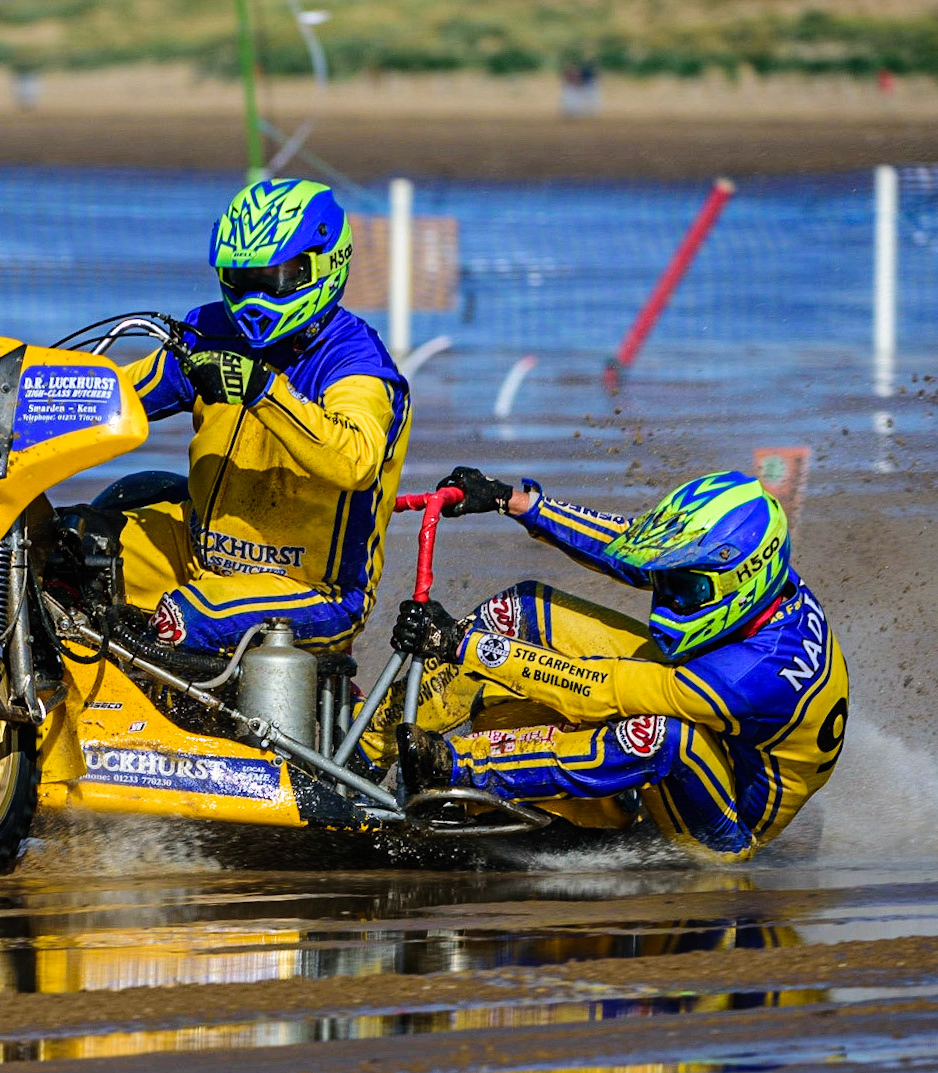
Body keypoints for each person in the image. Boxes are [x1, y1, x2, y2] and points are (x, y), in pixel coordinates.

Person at [381, 467, 849, 861]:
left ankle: (454, 772)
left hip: (723, 824)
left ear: (741, 580)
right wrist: (513, 501)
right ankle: (368, 747)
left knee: (663, 738)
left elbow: (604, 687)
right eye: (667, 581)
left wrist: (461, 643)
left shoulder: (751, 677)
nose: (666, 597)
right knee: (521, 609)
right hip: (718, 732)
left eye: (683, 588)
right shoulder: (756, 582)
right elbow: (632, 548)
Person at [114, 178, 411, 654]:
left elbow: (357, 460)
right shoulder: (210, 331)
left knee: (183, 621)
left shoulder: (356, 363)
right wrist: (16, 392)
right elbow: (118, 396)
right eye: (241, 278)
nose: (254, 297)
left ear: (324, 265)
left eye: (272, 278)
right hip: (200, 556)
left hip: (315, 590)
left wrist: (262, 389)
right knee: (73, 556)